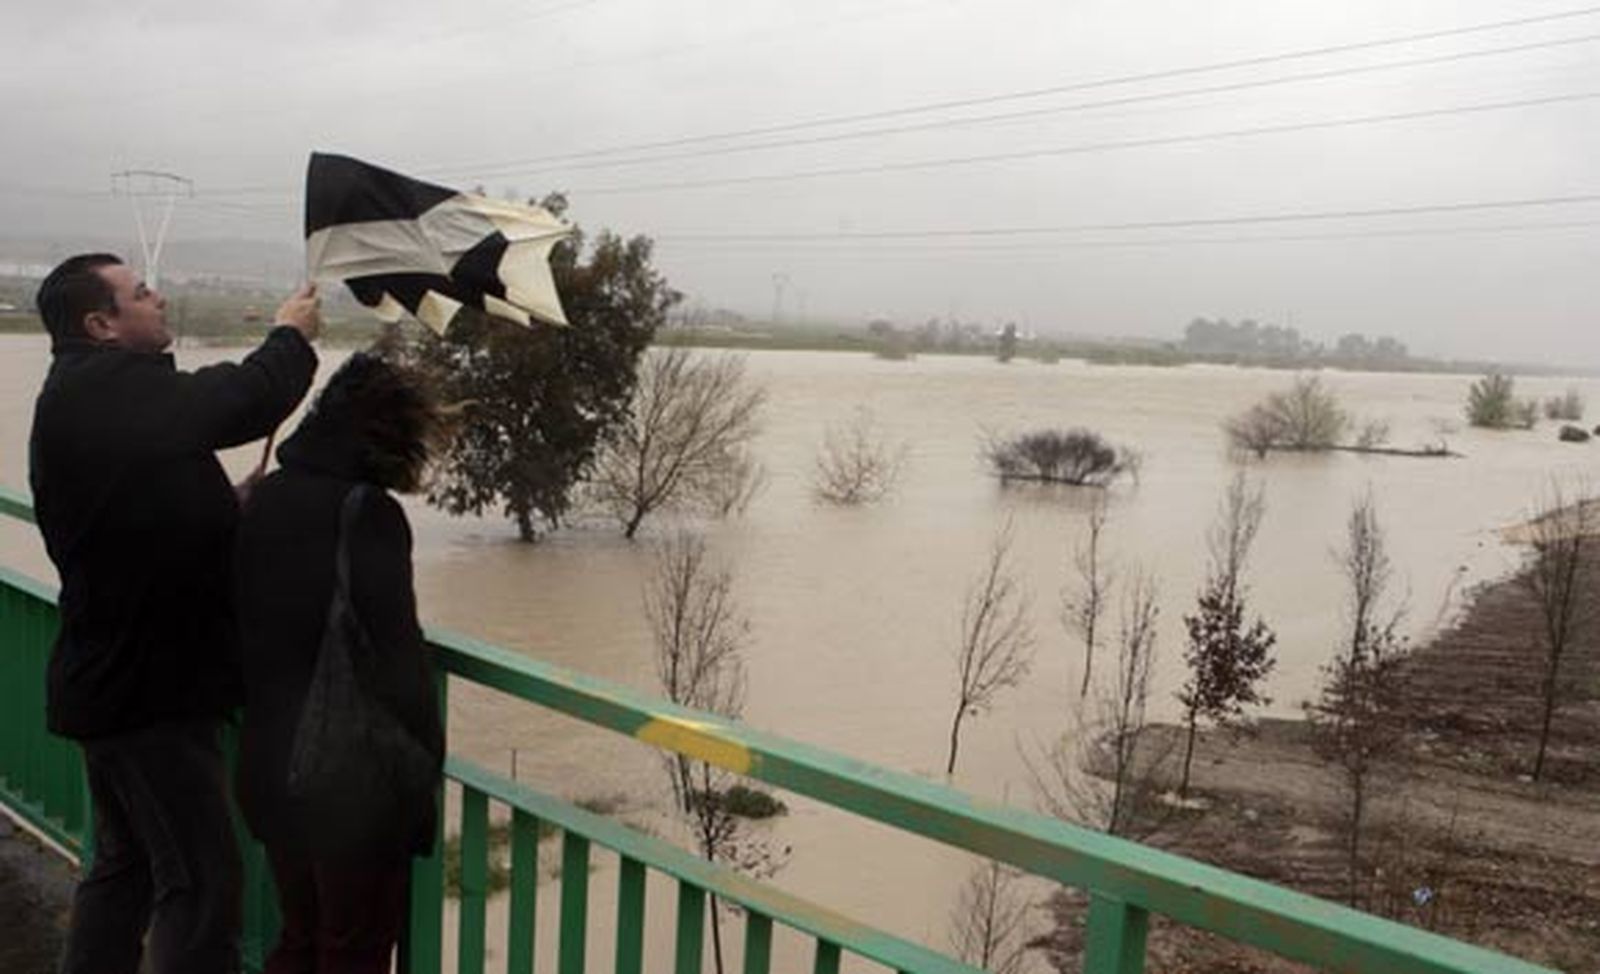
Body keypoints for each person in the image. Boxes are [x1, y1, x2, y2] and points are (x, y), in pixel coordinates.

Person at [29, 253, 321, 974]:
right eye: (141, 293)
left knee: (125, 870)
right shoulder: (102, 390)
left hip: (115, 680)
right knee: (201, 881)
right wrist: (292, 336)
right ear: (101, 324)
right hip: (148, 694)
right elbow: (239, 401)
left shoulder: (92, 393)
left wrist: (227, 508)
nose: (159, 299)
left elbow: (138, 509)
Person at [233, 353, 446, 974]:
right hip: (347, 785)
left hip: (269, 761)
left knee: (302, 937)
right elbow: (397, 655)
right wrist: (420, 774)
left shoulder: (261, 499)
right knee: (353, 948)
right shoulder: (367, 512)